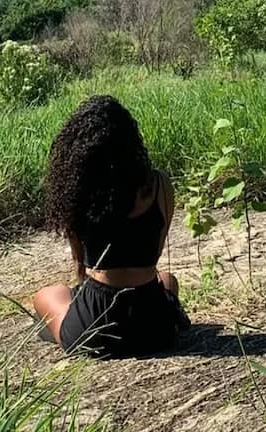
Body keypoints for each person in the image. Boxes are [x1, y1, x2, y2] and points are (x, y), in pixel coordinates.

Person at [33, 94, 190, 358]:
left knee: (45, 295)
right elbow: (154, 254)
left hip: (95, 323)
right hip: (157, 325)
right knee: (167, 279)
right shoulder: (159, 185)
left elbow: (80, 265)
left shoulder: (79, 192)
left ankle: (72, 326)